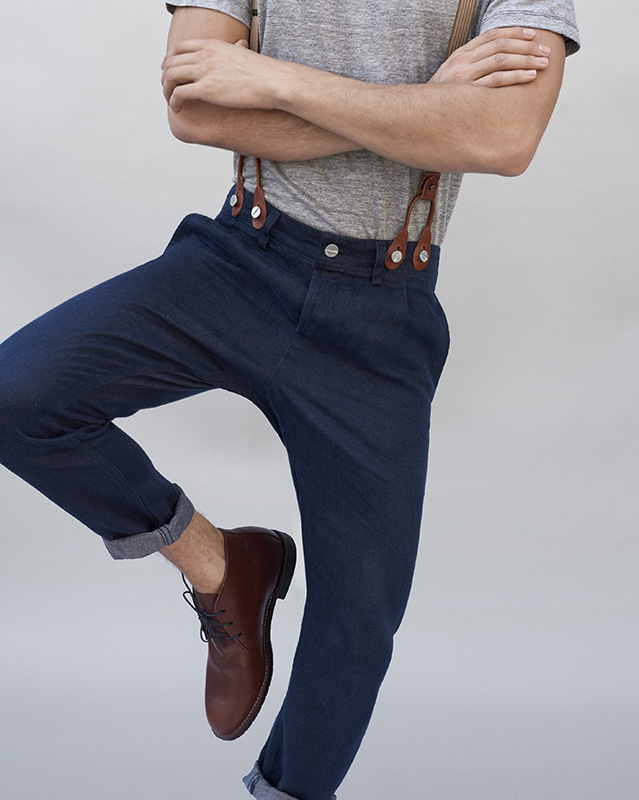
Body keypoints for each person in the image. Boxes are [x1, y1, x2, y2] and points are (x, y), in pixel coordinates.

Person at [0, 0, 580, 798]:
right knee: (19, 396)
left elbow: (501, 137)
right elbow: (196, 108)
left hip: (382, 310)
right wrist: (427, 107)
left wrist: (267, 79)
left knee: (358, 622)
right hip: (235, 261)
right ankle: (222, 564)